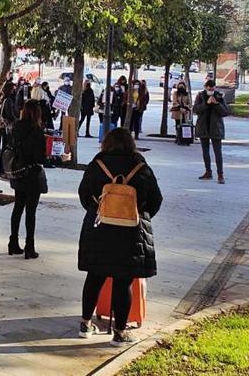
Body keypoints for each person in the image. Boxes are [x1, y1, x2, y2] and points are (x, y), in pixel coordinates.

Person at [77, 128, 162, 346]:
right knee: (124, 281)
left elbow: (84, 194)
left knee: (94, 276)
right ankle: (119, 331)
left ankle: (85, 324)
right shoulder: (140, 166)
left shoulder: (98, 165)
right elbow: (155, 199)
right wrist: (137, 213)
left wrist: (99, 211)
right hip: (130, 232)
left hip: (98, 228)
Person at [8, 99, 47, 259]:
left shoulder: (17, 126)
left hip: (19, 170)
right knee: (31, 212)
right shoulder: (37, 131)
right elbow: (40, 157)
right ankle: (29, 246)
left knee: (18, 207)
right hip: (32, 173)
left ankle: (13, 242)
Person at [194, 79, 229, 184]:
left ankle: (220, 174)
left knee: (218, 152)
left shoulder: (219, 96)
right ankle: (208, 171)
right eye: (209, 88)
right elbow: (196, 109)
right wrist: (206, 104)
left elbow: (225, 112)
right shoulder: (200, 96)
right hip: (203, 127)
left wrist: (216, 104)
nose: (211, 90)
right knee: (205, 151)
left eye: (212, 88)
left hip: (216, 128)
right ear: (205, 87)